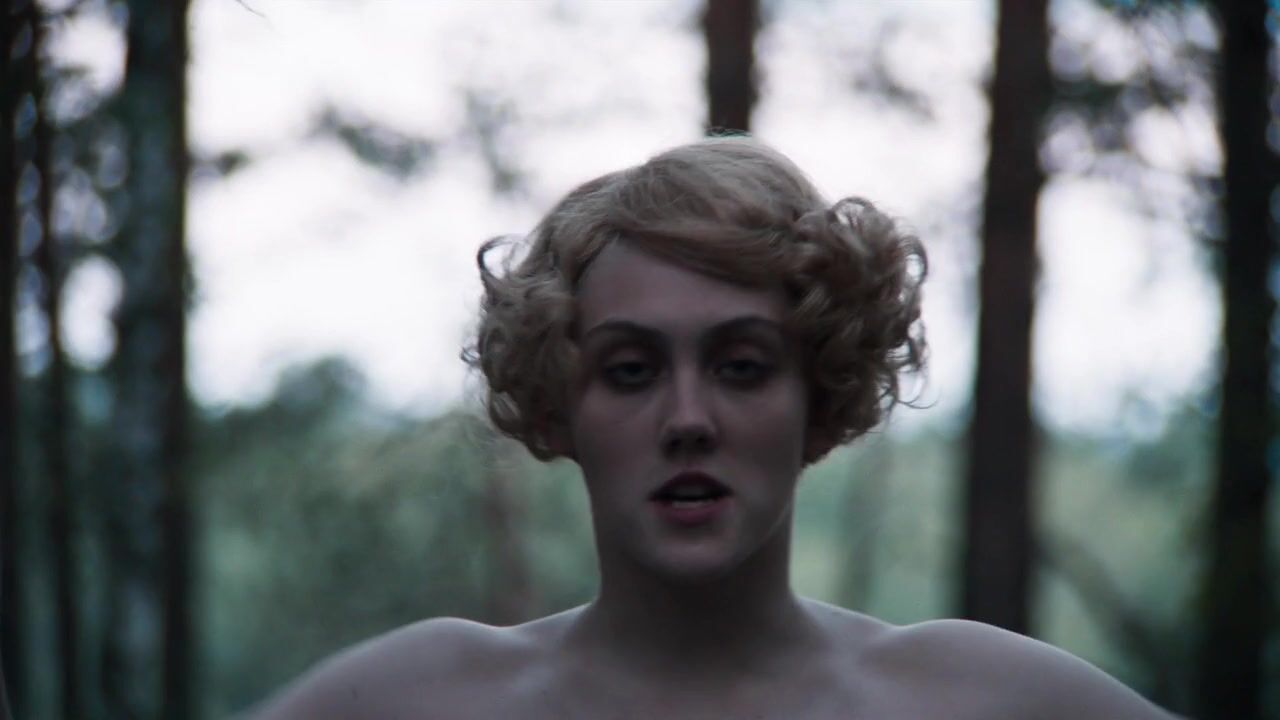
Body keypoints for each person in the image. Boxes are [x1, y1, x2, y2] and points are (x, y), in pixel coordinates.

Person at [252, 137, 1174, 719]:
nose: (687, 420)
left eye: (741, 367)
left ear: (820, 396)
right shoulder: (421, 697)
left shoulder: (975, 698)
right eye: (630, 370)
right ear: (560, 403)